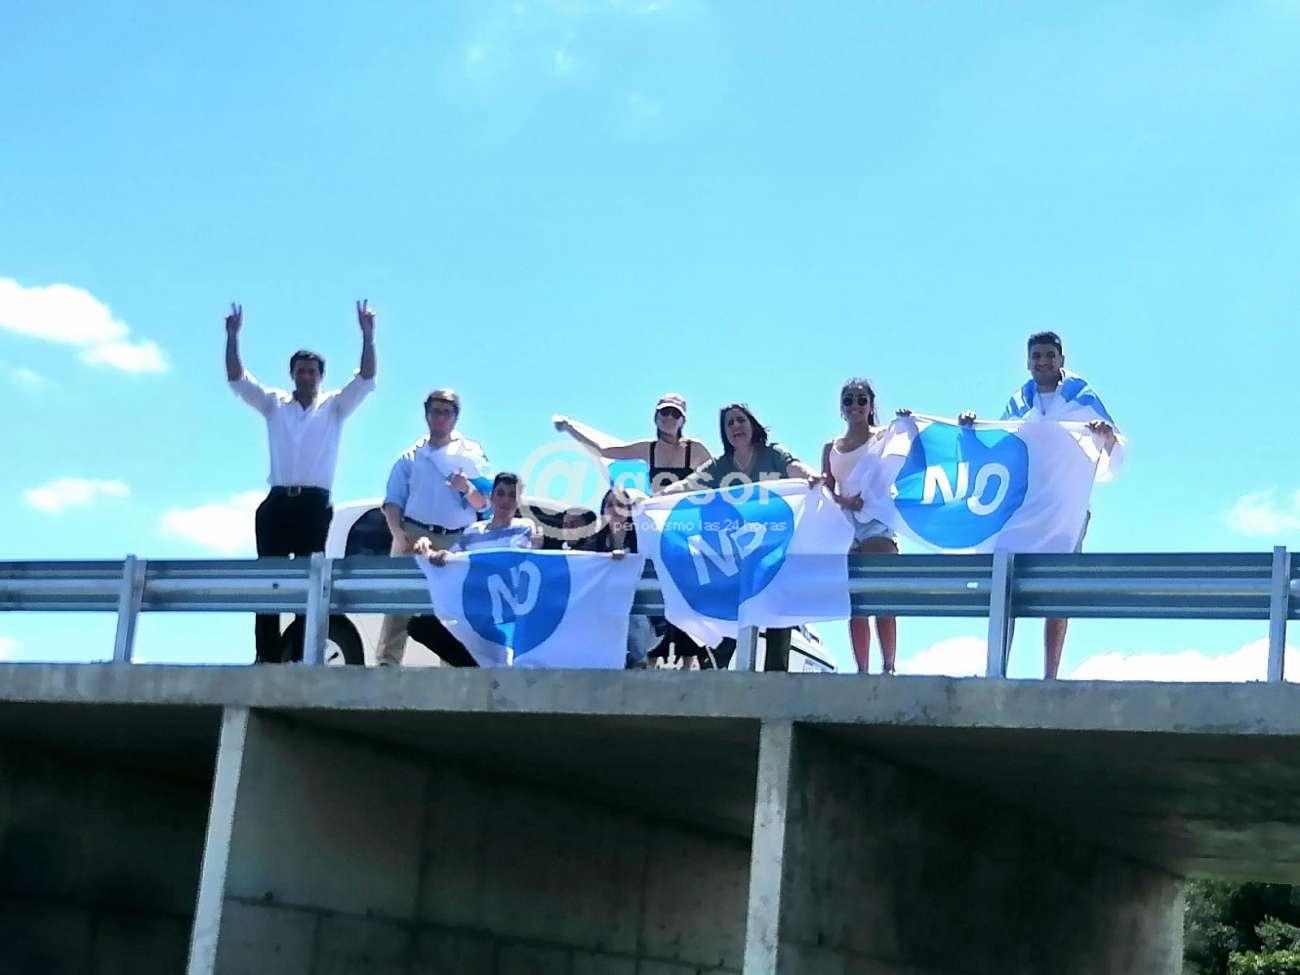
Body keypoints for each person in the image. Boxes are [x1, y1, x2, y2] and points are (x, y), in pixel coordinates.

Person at [960, 330, 1124, 679]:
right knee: (1006, 582)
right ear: (1028, 362)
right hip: (1025, 506)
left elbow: (1112, 448)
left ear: (1061, 359)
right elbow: (999, 445)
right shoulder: (1020, 401)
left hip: (1065, 509)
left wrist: (1106, 435)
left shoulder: (1082, 396)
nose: (1043, 361)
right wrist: (971, 430)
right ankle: (997, 669)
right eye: (1037, 356)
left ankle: (1051, 675)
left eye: (1050, 355)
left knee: (1058, 588)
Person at [225, 300, 376, 663]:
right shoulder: (274, 404)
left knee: (309, 581)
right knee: (269, 582)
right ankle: (266, 657)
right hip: (278, 502)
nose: (306, 376)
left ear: (321, 376)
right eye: (300, 371)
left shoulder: (335, 407)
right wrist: (232, 336)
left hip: (313, 505)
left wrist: (368, 335)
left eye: (312, 371)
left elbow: (366, 379)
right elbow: (237, 379)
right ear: (292, 374)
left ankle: (302, 656)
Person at [660, 403, 822, 672]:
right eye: (729, 423)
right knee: (728, 615)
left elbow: (796, 468)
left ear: (752, 424)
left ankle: (774, 680)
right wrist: (655, 498)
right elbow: (688, 486)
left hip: (774, 555)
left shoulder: (772, 454)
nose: (736, 426)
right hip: (735, 559)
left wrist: (812, 477)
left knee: (778, 615)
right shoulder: (719, 466)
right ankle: (712, 674)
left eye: (740, 420)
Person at [554, 394, 712, 667]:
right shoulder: (647, 448)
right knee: (656, 586)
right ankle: (652, 658)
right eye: (664, 413)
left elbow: (717, 477)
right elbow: (605, 450)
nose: (669, 418)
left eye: (675, 414)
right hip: (658, 529)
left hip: (686, 529)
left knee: (685, 588)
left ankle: (689, 663)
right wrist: (570, 427)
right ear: (656, 417)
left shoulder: (695, 449)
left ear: (683, 420)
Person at [376, 389, 491, 667]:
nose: (440, 417)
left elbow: (484, 502)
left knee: (452, 606)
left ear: (455, 417)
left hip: (457, 539)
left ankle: (451, 666)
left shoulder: (471, 454)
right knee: (400, 600)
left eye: (446, 412)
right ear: (427, 415)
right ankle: (387, 663)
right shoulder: (411, 456)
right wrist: (399, 534)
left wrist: (466, 488)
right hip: (414, 533)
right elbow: (392, 501)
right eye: (435, 411)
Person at [821, 378, 899, 675]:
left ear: (871, 406)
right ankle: (862, 669)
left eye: (861, 400)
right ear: (841, 407)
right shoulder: (831, 447)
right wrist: (844, 501)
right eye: (849, 400)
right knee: (855, 601)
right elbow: (827, 489)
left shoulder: (885, 437)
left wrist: (907, 421)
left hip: (877, 521)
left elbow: (910, 450)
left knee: (882, 594)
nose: (855, 405)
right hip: (846, 525)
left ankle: (889, 666)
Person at [577, 489, 654, 668]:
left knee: (631, 614)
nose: (615, 509)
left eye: (620, 505)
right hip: (604, 615)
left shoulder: (644, 540)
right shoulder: (592, 543)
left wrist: (629, 558)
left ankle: (638, 663)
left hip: (643, 619)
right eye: (609, 505)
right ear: (603, 511)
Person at [425, 473, 542, 563]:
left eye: (512, 495)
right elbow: (453, 559)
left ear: (519, 502)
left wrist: (535, 549)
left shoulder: (523, 527)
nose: (506, 500)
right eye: (500, 494)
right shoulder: (472, 530)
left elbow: (517, 559)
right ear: (492, 497)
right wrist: (442, 555)